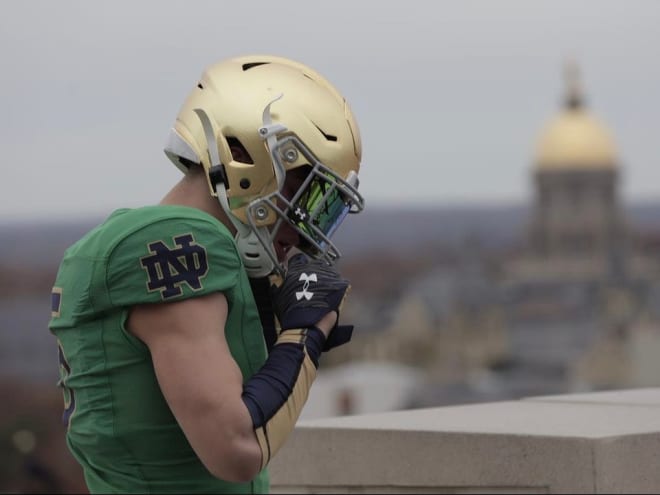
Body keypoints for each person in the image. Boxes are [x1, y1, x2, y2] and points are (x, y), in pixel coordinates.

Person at [48, 54, 365, 494]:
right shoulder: (177, 238)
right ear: (246, 156)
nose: (305, 225)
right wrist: (305, 333)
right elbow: (236, 449)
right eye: (307, 193)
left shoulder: (135, 240)